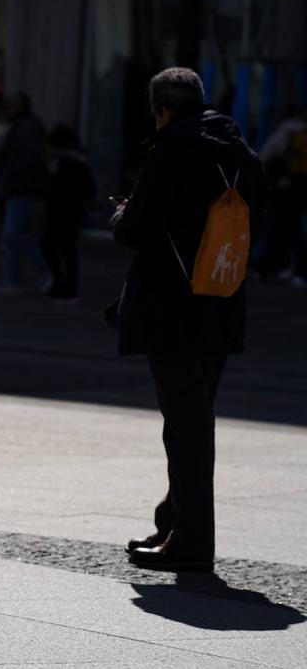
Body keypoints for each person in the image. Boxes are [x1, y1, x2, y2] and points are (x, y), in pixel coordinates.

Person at [110, 67, 266, 572]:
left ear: (163, 110)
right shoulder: (238, 151)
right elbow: (262, 218)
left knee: (187, 429)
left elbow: (138, 230)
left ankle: (192, 543)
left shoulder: (170, 150)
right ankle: (173, 520)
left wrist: (121, 214)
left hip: (175, 306)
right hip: (223, 298)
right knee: (193, 421)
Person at [0, 92, 51, 294]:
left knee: (12, 234)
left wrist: (11, 175)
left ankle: (44, 269)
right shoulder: (21, 125)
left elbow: (27, 157)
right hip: (17, 186)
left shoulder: (26, 126)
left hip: (21, 186)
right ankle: (12, 279)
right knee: (10, 235)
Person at [251, 104, 307, 285]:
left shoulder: (286, 131)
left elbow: (265, 155)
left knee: (283, 226)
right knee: (292, 226)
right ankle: (276, 267)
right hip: (302, 185)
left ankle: (265, 267)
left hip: (284, 185)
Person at [42, 125, 97, 304]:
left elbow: (85, 189)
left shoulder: (69, 162)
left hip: (64, 212)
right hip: (67, 212)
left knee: (60, 249)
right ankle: (62, 285)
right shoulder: (73, 161)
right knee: (63, 249)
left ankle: (65, 287)